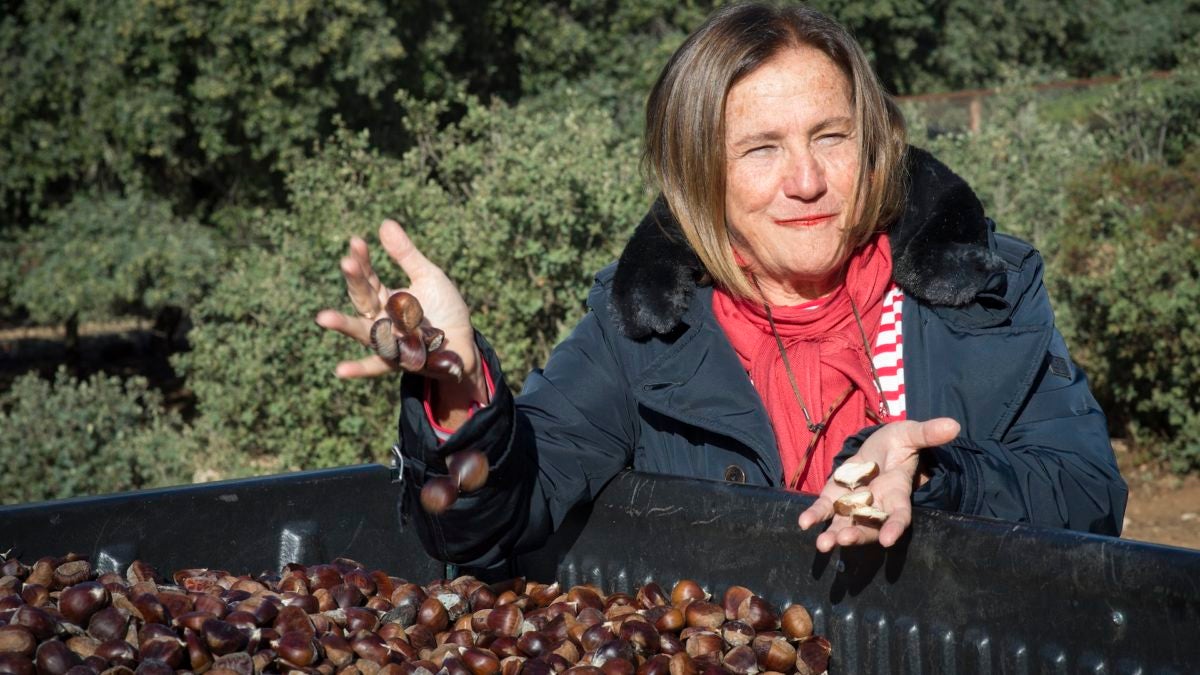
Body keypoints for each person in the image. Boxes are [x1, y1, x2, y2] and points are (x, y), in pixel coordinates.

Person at [316, 2, 1127, 570]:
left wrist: (935, 478)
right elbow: (490, 526)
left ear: (873, 147)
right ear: (699, 178)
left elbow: (1089, 495)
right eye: (760, 149)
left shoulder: (981, 290)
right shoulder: (640, 326)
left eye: (831, 136)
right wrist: (457, 396)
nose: (805, 179)